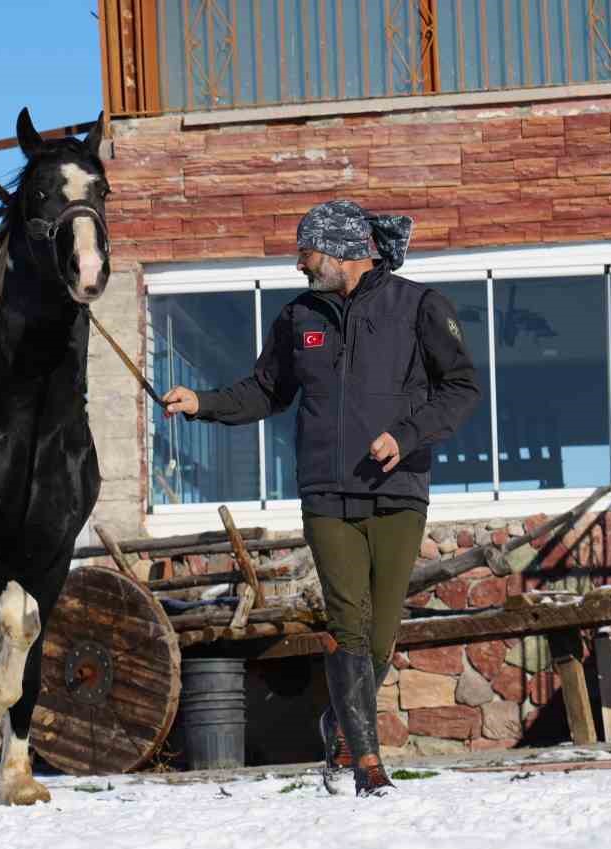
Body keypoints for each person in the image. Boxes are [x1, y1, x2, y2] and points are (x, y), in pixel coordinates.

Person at [161, 200, 479, 796]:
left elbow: (460, 389)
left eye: (305, 251)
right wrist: (202, 403)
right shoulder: (296, 317)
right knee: (347, 625)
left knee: (381, 634)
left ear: (339, 251)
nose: (298, 262)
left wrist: (406, 436)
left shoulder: (419, 307)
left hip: (398, 490)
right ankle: (366, 762)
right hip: (326, 492)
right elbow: (264, 391)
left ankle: (339, 721)